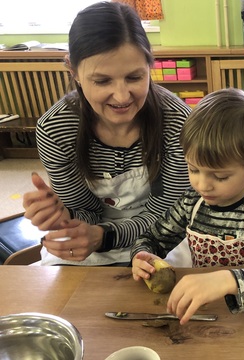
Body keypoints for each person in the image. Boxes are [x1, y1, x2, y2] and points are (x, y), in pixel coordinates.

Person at [22, 2, 191, 266]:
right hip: (91, 240)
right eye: (102, 81)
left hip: (162, 236)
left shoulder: (177, 120)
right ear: (73, 71)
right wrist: (62, 215)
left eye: (135, 77)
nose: (122, 96)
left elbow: (172, 212)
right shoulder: (56, 129)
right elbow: (86, 212)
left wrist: (106, 236)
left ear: (150, 64)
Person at [131, 88, 244, 324]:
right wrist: (142, 257)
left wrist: (227, 281)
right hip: (204, 315)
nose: (203, 185)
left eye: (220, 177)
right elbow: (152, 239)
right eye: (193, 169)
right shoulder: (191, 202)